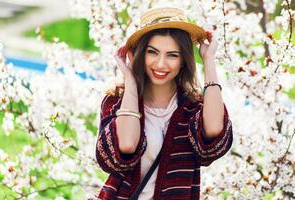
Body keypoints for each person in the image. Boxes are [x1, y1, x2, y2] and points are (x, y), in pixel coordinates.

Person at [94, 6, 233, 200]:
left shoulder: (193, 108)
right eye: (152, 52)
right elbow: (125, 146)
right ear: (141, 54)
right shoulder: (117, 101)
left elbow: (214, 133)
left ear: (184, 60)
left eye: (172, 55)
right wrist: (131, 81)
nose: (160, 64)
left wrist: (209, 60)